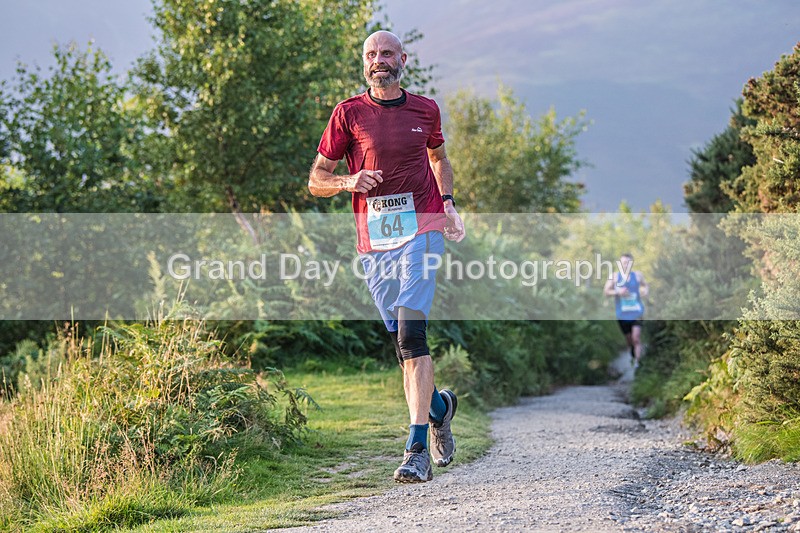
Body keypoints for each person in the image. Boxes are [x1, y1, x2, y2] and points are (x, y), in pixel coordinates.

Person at [307, 30, 466, 483]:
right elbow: (317, 178)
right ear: (364, 62)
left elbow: (439, 159)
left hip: (423, 230)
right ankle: (440, 408)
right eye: (371, 54)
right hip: (375, 243)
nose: (379, 60)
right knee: (402, 345)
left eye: (387, 53)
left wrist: (449, 203)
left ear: (402, 59)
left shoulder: (425, 109)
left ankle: (416, 449)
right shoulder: (348, 114)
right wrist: (348, 182)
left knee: (413, 336)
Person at [604, 253, 648, 368]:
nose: (626, 265)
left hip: (637, 312)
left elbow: (645, 285)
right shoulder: (614, 277)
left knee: (636, 338)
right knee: (629, 340)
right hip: (622, 314)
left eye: (628, 263)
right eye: (624, 263)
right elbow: (606, 292)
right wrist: (618, 292)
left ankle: (638, 364)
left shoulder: (638, 275)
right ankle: (633, 353)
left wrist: (645, 290)